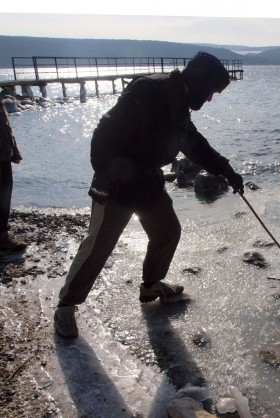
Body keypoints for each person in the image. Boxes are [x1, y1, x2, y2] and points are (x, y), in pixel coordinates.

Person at [54, 51, 244, 339]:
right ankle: (66, 306)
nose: (209, 100)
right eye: (211, 92)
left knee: (167, 231)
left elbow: (193, 143)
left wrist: (226, 170)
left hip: (147, 182)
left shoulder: (180, 103)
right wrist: (110, 170)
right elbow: (104, 131)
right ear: (200, 81)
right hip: (116, 183)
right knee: (98, 247)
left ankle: (151, 285)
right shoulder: (150, 89)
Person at [0, 99, 26, 251]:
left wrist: (14, 151)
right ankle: (3, 238)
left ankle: (3, 235)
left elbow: (6, 127)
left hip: (4, 157)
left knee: (5, 197)